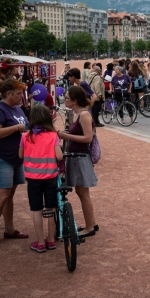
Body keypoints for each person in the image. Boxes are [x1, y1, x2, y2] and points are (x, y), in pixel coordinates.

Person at [0, 79, 30, 249]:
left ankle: (9, 229)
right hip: (0, 157)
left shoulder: (17, 108)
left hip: (16, 158)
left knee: (9, 196)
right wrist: (16, 128)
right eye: (18, 94)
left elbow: (24, 127)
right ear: (8, 94)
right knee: (2, 196)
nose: (21, 97)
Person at [19, 105, 63, 253]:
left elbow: (20, 156)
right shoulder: (53, 135)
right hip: (50, 176)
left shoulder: (25, 136)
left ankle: (40, 242)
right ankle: (51, 240)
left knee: (36, 209)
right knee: (50, 208)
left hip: (33, 178)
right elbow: (59, 156)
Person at [58, 86, 98, 237]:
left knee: (83, 193)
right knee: (81, 192)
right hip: (76, 156)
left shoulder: (84, 115)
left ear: (74, 101)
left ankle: (90, 227)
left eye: (67, 98)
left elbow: (88, 138)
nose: (64, 100)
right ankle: (91, 223)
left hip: (81, 157)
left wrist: (67, 136)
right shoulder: (77, 114)